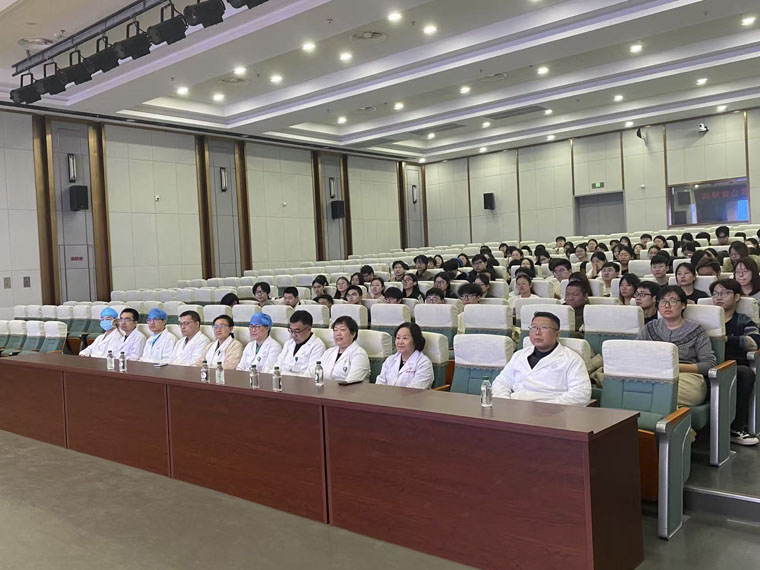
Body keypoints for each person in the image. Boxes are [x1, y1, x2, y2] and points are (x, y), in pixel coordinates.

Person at [636, 286, 716, 406]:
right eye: (663, 302)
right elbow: (635, 354)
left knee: (661, 393)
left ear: (683, 305)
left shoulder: (696, 330)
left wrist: (676, 367)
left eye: (672, 301)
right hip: (654, 374)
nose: (667, 306)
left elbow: (709, 364)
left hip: (686, 377)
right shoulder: (649, 327)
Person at [492, 312, 591, 405]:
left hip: (551, 412)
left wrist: (547, 407)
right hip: (514, 407)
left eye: (544, 328)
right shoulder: (519, 355)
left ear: (557, 334)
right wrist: (505, 402)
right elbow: (501, 382)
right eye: (534, 327)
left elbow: (581, 394)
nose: (537, 333)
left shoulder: (571, 359)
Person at [709, 279, 760, 445]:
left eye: (724, 293)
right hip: (708, 363)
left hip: (733, 365)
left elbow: (754, 341)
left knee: (744, 374)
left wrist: (726, 340)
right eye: (715, 293)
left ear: (737, 297)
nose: (719, 297)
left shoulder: (742, 320)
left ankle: (736, 428)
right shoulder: (706, 319)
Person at [307, 316, 370, 383]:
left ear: (353, 333)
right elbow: (312, 372)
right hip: (325, 388)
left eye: (342, 330)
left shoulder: (359, 355)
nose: (338, 334)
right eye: (335, 330)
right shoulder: (329, 352)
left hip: (349, 389)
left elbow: (351, 382)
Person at [376, 322, 434, 389]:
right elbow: (380, 383)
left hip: (413, 395)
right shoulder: (390, 360)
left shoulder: (424, 363)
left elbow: (415, 389)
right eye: (398, 338)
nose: (400, 342)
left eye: (405, 338)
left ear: (415, 340)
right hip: (386, 395)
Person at [275, 310, 326, 377]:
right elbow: (277, 365)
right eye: (291, 331)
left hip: (302, 382)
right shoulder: (288, 343)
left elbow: (311, 374)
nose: (293, 335)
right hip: (282, 380)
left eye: (297, 331)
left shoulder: (318, 346)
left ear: (308, 329)